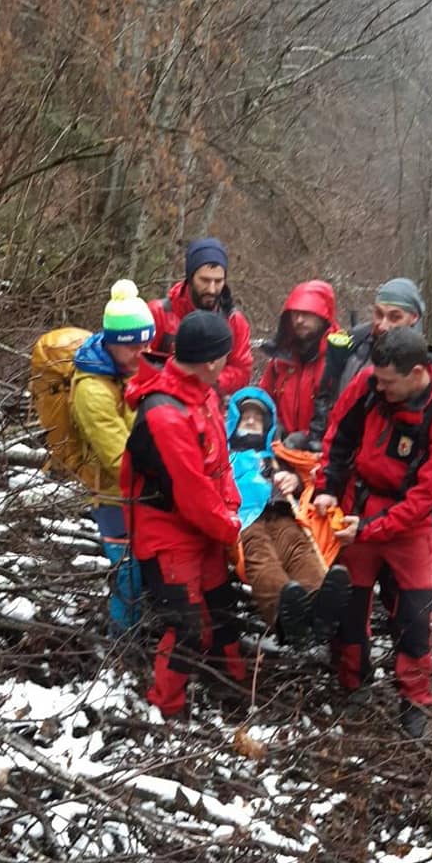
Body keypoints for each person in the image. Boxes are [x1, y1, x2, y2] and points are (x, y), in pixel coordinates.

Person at [314, 327, 432, 739]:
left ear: (416, 373)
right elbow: (338, 437)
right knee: (351, 601)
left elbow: (424, 500)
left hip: (409, 525)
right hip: (359, 503)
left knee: (415, 614)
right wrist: (328, 489)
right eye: (376, 379)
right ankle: (351, 679)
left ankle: (415, 697)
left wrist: (370, 529)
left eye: (388, 382)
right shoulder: (368, 387)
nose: (378, 386)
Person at [121, 310, 246, 717]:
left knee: (223, 608)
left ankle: (236, 684)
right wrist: (229, 528)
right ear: (212, 361)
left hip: (204, 525)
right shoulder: (164, 412)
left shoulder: (205, 394)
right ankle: (166, 707)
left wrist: (231, 508)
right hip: (167, 534)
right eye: (226, 356)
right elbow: (191, 489)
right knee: (186, 628)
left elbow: (220, 463)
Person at [227, 388, 350, 641]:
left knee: (299, 548)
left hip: (282, 513)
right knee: (261, 557)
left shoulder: (278, 455)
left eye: (258, 417)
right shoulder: (225, 456)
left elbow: (306, 480)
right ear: (233, 420)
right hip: (246, 520)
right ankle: (284, 615)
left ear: (268, 425)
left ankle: (319, 606)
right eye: (245, 416)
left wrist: (294, 479)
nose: (251, 420)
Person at [71, 279, 155, 631]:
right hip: (112, 494)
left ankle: (135, 629)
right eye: (133, 346)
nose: (143, 352)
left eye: (147, 342)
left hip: (138, 490)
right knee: (129, 571)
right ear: (113, 342)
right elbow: (120, 459)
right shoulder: (93, 390)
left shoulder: (126, 370)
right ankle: (121, 645)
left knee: (142, 566)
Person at [147, 237, 252, 398]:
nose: (211, 289)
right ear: (190, 277)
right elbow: (138, 362)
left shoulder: (234, 321)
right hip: (162, 401)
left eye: (218, 281)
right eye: (204, 280)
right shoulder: (158, 313)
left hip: (209, 406)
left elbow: (242, 371)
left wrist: (208, 380)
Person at [258, 280, 344, 452]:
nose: (299, 320)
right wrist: (272, 423)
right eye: (295, 313)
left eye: (307, 313)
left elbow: (344, 417)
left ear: (323, 316)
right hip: (281, 451)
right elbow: (264, 397)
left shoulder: (340, 357)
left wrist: (308, 438)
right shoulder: (282, 357)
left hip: (321, 455)